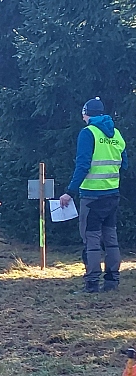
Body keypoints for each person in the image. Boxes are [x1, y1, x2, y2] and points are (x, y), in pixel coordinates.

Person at [60, 97, 128, 293]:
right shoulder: (116, 134)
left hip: (92, 196)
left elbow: (83, 165)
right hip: (112, 194)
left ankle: (91, 284)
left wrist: (69, 192)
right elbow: (124, 163)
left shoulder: (88, 133)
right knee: (111, 238)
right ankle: (112, 282)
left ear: (85, 113)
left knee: (91, 239)